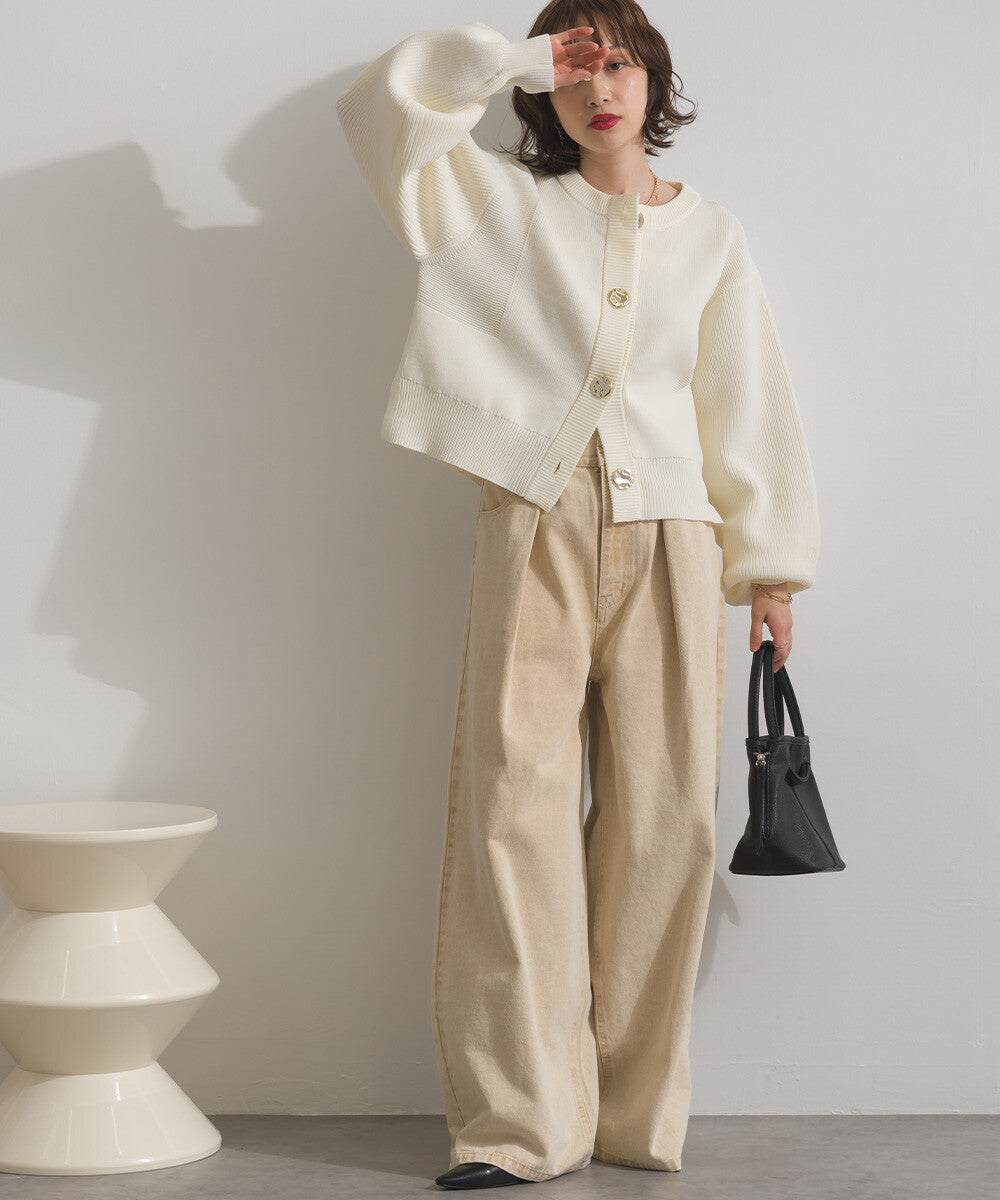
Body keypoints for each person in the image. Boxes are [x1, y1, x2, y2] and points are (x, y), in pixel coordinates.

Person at [337, 0, 819, 1189]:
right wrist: (510, 57)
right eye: (572, 70)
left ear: (656, 79)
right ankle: (521, 1126)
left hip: (675, 537)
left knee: (667, 821)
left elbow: (743, 396)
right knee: (514, 811)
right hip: (535, 524)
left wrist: (768, 567)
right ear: (543, 91)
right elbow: (384, 110)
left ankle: (631, 1115)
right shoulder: (494, 204)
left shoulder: (711, 235)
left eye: (618, 65)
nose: (598, 90)